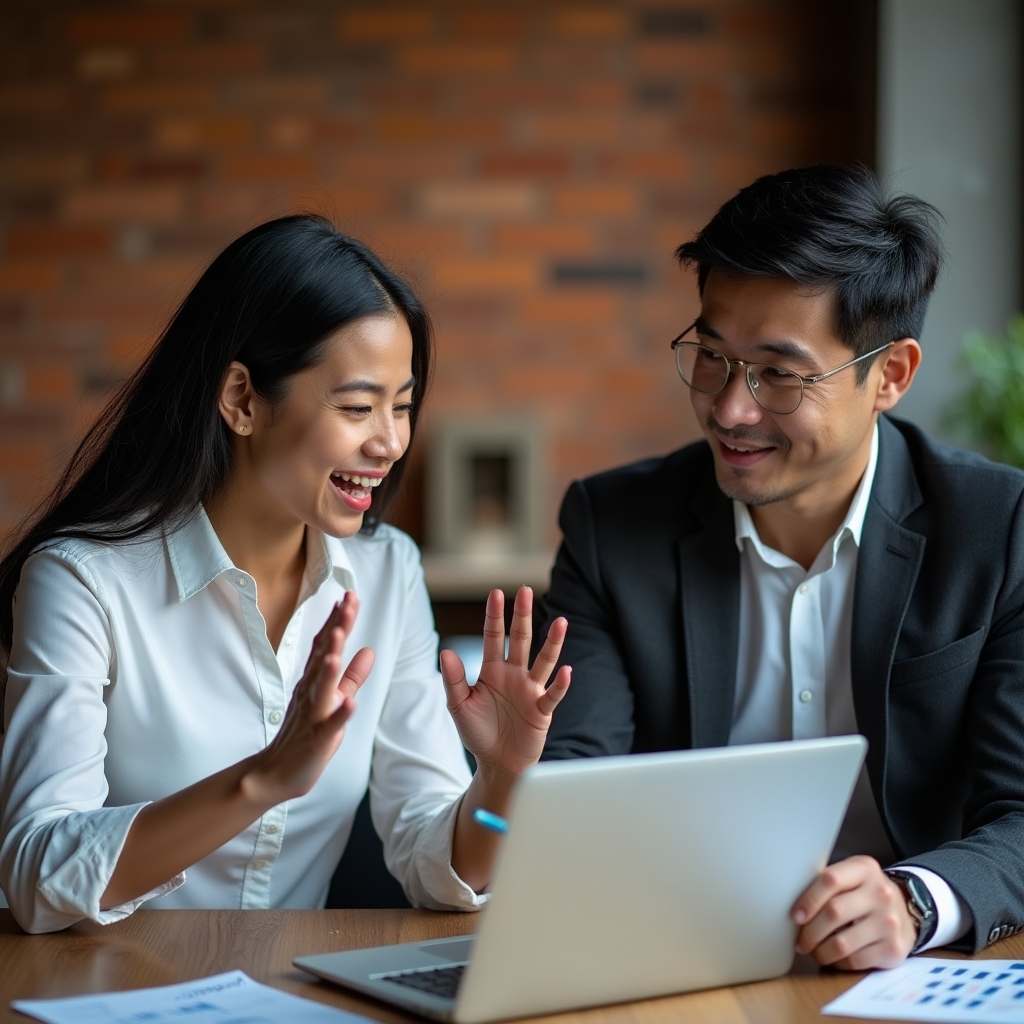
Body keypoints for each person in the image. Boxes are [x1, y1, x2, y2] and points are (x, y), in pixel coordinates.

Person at [0, 215, 570, 933]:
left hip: (289, 993)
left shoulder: (387, 571)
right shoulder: (81, 582)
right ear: (241, 399)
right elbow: (36, 872)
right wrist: (262, 780)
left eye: (401, 407)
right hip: (98, 990)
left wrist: (504, 779)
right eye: (359, 407)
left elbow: (438, 864)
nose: (390, 441)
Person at [537, 164, 1024, 970]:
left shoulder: (997, 528)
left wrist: (914, 900)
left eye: (779, 374)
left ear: (890, 376)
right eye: (713, 356)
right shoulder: (613, 528)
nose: (731, 410)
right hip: (680, 959)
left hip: (911, 975)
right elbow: (573, 784)